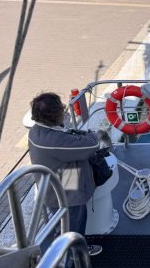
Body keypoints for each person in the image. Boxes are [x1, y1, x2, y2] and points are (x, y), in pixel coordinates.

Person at [28, 92, 102, 259]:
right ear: (56, 114)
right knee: (72, 224)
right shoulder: (55, 141)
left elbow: (65, 136)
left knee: (66, 223)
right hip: (65, 189)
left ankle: (76, 247)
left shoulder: (36, 131)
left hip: (55, 181)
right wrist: (93, 134)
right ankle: (74, 256)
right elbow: (92, 145)